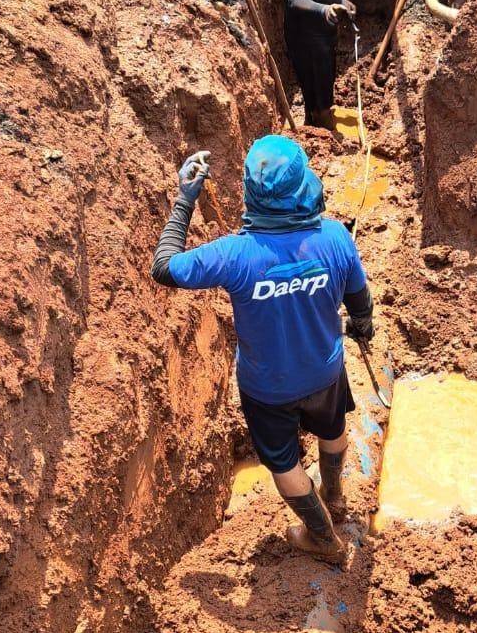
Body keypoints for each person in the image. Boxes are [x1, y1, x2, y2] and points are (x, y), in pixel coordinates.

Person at [150, 136, 374, 561]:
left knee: (284, 463)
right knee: (333, 428)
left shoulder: (236, 254)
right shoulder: (334, 238)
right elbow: (360, 300)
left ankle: (323, 538)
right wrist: (363, 327)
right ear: (305, 185)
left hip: (268, 388)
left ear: (252, 193)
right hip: (325, 371)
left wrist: (186, 199)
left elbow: (164, 268)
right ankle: (335, 494)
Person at [284, 0, 355, 129]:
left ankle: (317, 121)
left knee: (325, 85)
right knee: (318, 101)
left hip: (323, 36)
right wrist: (324, 9)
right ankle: (322, 135)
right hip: (307, 40)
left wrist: (342, 0)